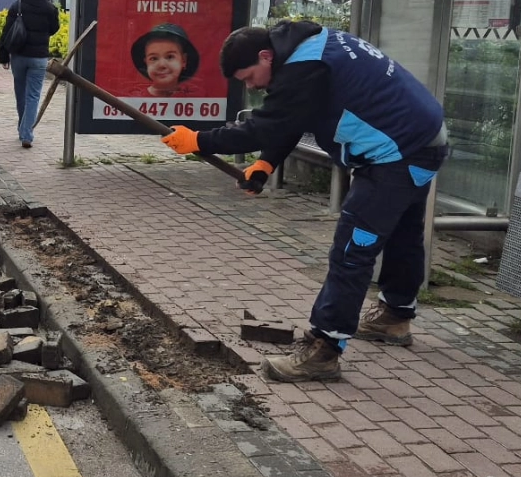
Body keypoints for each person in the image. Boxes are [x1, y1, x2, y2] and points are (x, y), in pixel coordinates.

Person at [160, 21, 448, 383]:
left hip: (396, 155)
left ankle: (323, 351)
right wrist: (266, 164)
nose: (251, 86)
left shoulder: (304, 66)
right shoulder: (308, 46)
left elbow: (267, 124)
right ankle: (395, 317)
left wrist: (200, 141)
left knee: (351, 250)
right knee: (404, 234)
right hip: (423, 139)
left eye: (249, 77)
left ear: (266, 56)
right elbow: (294, 115)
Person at [0, 0, 61, 148]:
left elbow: (6, 33)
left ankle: (22, 127)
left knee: (20, 93)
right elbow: (54, 29)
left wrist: (4, 56)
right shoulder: (50, 9)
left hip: (19, 56)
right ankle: (27, 133)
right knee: (33, 95)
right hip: (39, 58)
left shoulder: (16, 6)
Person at [133, 23, 200, 97]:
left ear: (183, 60)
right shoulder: (136, 97)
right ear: (146, 63)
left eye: (170, 57)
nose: (162, 65)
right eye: (154, 58)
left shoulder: (193, 97)